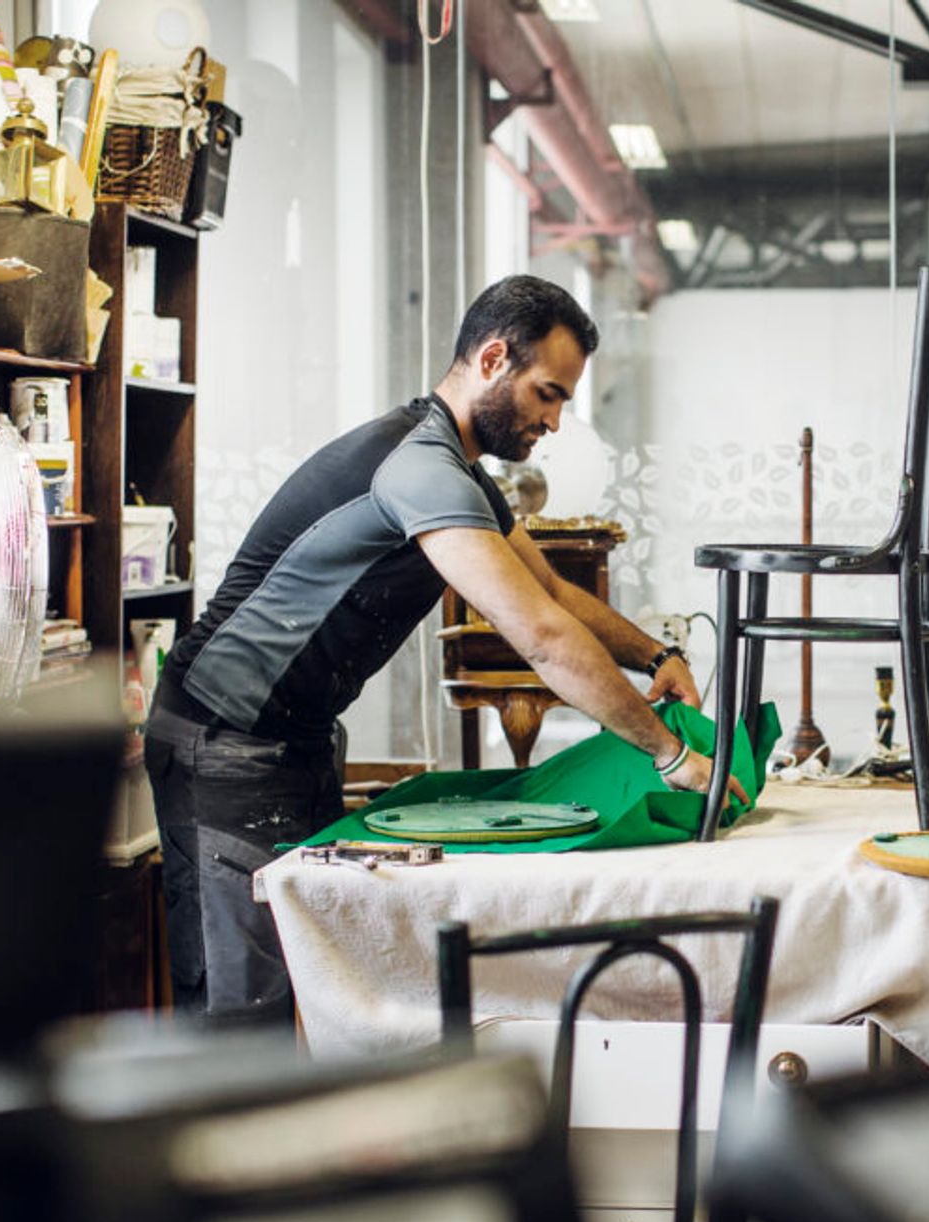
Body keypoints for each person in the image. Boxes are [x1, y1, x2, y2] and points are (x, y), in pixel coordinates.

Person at [144, 275, 744, 1021]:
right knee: (240, 1014)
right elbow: (543, 637)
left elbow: (553, 592)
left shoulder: (459, 473)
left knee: (312, 994)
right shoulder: (416, 466)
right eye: (548, 394)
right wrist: (668, 754)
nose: (555, 422)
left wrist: (656, 656)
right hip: (222, 745)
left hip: (294, 740)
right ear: (493, 359)